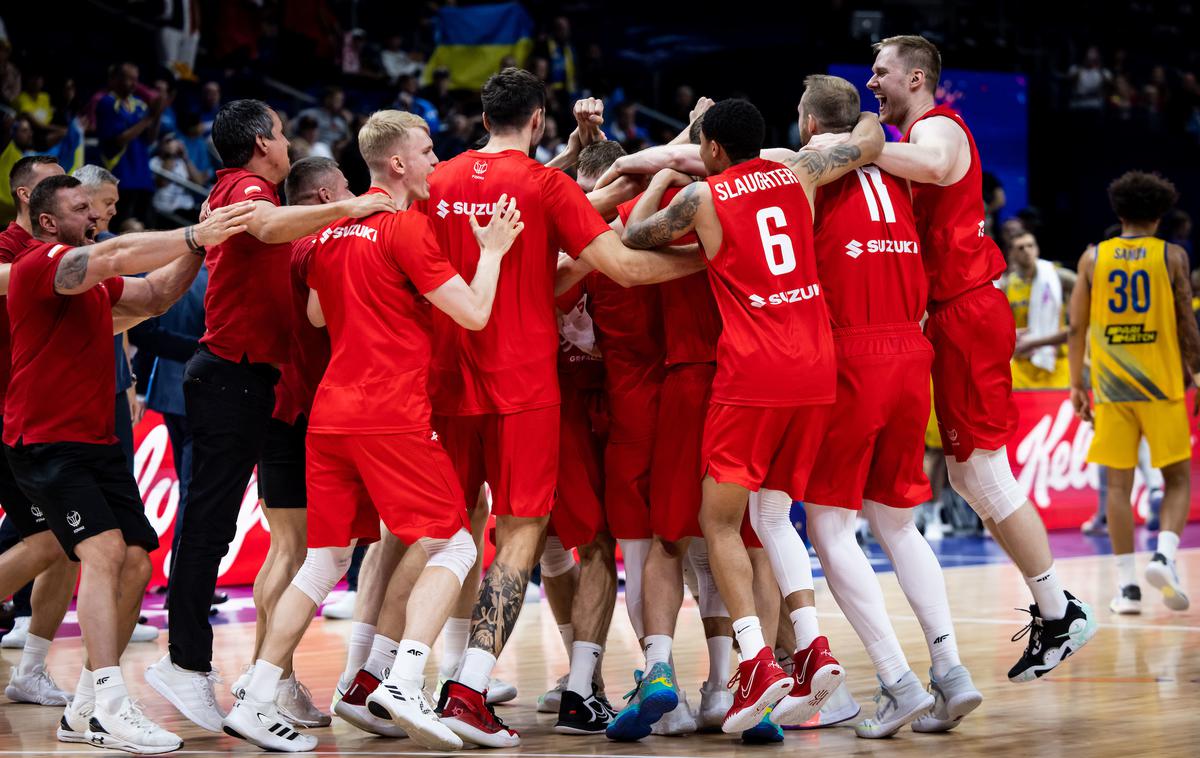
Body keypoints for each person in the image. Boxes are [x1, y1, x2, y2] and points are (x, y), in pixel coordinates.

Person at [221, 109, 524, 752]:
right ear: (397, 165)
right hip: (389, 413)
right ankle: (406, 678)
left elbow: (316, 312)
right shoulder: (403, 229)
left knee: (324, 561)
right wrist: (493, 252)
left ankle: (254, 692)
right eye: (429, 150)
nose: (437, 160)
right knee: (456, 547)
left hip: (330, 416)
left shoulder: (323, 238)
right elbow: (471, 313)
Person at [423, 70, 705, 748]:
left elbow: (551, 192)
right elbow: (629, 266)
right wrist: (716, 258)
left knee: (454, 537)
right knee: (523, 537)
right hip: (523, 383)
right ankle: (471, 689)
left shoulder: (439, 182)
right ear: (540, 119)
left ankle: (391, 676)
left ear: (481, 116)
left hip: (447, 377)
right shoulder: (547, 187)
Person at [621, 97, 883, 732]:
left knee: (718, 522)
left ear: (711, 149)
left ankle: (758, 663)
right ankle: (814, 649)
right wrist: (876, 110)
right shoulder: (800, 171)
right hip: (817, 366)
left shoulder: (703, 200)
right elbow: (869, 142)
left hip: (754, 371)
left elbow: (633, 236)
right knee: (772, 516)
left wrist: (661, 177)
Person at [146, 98, 394, 734]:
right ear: (261, 142)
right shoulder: (254, 190)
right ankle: (191, 665)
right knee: (214, 530)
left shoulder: (240, 196)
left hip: (262, 387)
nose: (285, 143)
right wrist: (355, 205)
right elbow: (266, 224)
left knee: (253, 538)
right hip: (242, 379)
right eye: (281, 132)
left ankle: (263, 679)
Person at [868, 34, 1096, 682]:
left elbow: (938, 165)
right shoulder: (911, 140)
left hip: (966, 311)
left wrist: (859, 146)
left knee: (986, 475)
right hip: (950, 315)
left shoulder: (940, 128)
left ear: (915, 79)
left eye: (880, 73)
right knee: (968, 478)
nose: (871, 84)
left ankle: (1060, 610)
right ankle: (1056, 609)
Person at [8, 173, 252, 753]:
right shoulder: (42, 265)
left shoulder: (93, 284)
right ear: (48, 221)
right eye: (81, 208)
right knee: (102, 551)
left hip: (96, 442)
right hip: (44, 440)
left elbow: (156, 295)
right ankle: (110, 705)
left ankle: (87, 705)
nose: (96, 215)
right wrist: (196, 233)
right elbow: (115, 252)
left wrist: (207, 249)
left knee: (137, 563)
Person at [791, 74, 982, 738]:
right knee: (898, 525)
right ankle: (951, 672)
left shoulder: (809, 171)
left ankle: (897, 683)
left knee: (831, 528)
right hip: (911, 350)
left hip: (852, 352)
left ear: (810, 125)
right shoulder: (892, 169)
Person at [227, 156, 354, 730]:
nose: (354, 195)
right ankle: (272, 679)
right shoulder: (319, 244)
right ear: (325, 194)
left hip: (282, 402)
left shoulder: (286, 244)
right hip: (302, 407)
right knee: (298, 552)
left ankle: (266, 674)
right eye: (346, 189)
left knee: (289, 548)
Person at [1068, 171, 1200, 615]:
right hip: (1161, 385)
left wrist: (1076, 383)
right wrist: (1198, 376)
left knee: (1118, 488)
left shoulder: (1093, 259)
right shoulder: (1173, 257)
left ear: (1118, 211)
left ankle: (1126, 587)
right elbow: (1187, 323)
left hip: (1110, 388)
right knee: (1178, 478)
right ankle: (1163, 553)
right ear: (1160, 214)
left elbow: (1076, 327)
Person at [0, 155, 79, 707]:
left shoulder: (67, 253)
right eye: (56, 184)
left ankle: (30, 669)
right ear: (30, 198)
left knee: (71, 545)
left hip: (51, 422)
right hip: (13, 419)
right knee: (55, 541)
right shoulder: (10, 252)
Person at [94, 63, 168, 225]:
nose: (133, 83)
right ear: (114, 79)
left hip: (142, 176)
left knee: (146, 228)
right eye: (128, 79)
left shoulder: (140, 105)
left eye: (135, 79)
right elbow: (119, 139)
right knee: (123, 227)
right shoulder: (107, 103)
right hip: (120, 177)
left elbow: (149, 139)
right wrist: (149, 117)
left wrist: (157, 115)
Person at [1002, 231, 1076, 389]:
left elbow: (1089, 288)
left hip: (1056, 364)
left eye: (1030, 245)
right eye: (1020, 248)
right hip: (1022, 368)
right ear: (1012, 254)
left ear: (1037, 249)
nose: (1026, 251)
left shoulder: (1058, 277)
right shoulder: (1006, 285)